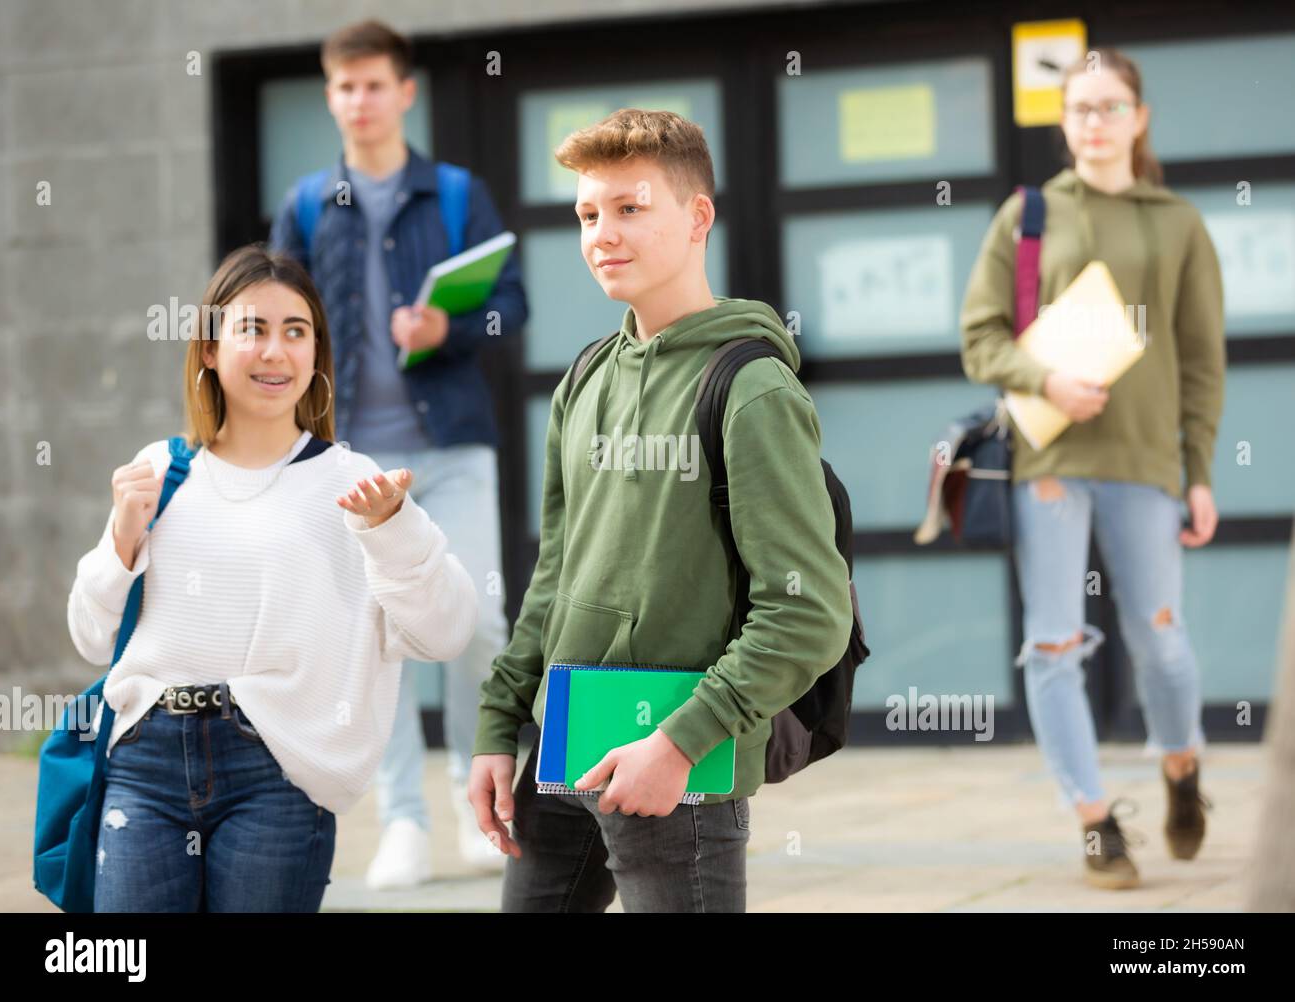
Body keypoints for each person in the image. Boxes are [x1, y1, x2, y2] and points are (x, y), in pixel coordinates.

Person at [467, 109, 854, 912]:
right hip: (565, 747)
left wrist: (679, 742)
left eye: (630, 208)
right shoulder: (584, 380)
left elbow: (808, 611)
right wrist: (501, 721)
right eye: (587, 214)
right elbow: (556, 574)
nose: (602, 233)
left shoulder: (752, 389)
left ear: (697, 216)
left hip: (679, 771)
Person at [66, 245, 478, 911]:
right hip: (144, 767)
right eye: (252, 329)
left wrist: (395, 529)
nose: (275, 352)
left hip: (277, 772)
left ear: (316, 355)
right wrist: (122, 541)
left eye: (296, 332)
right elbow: (90, 636)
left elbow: (450, 629)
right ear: (207, 349)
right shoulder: (161, 471)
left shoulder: (351, 482)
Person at [270, 19, 528, 887]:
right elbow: (273, 320)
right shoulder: (307, 204)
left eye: (375, 84)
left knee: (478, 622)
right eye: (345, 87)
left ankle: (470, 788)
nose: (361, 101)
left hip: (451, 449)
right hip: (349, 460)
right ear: (331, 96)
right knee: (368, 635)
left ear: (405, 92)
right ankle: (402, 822)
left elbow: (513, 306)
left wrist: (448, 325)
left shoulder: (457, 194)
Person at [960, 48, 1225, 889]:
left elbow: (1201, 360)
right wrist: (1045, 380)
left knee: (1164, 645)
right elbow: (981, 335)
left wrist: (1200, 470)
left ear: (1139, 118)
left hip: (1145, 460)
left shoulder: (1179, 222)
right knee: (1051, 644)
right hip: (1050, 458)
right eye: (1081, 109)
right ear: (1064, 120)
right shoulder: (1029, 214)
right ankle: (1095, 822)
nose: (1097, 122)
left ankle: (1181, 770)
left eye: (1112, 107)